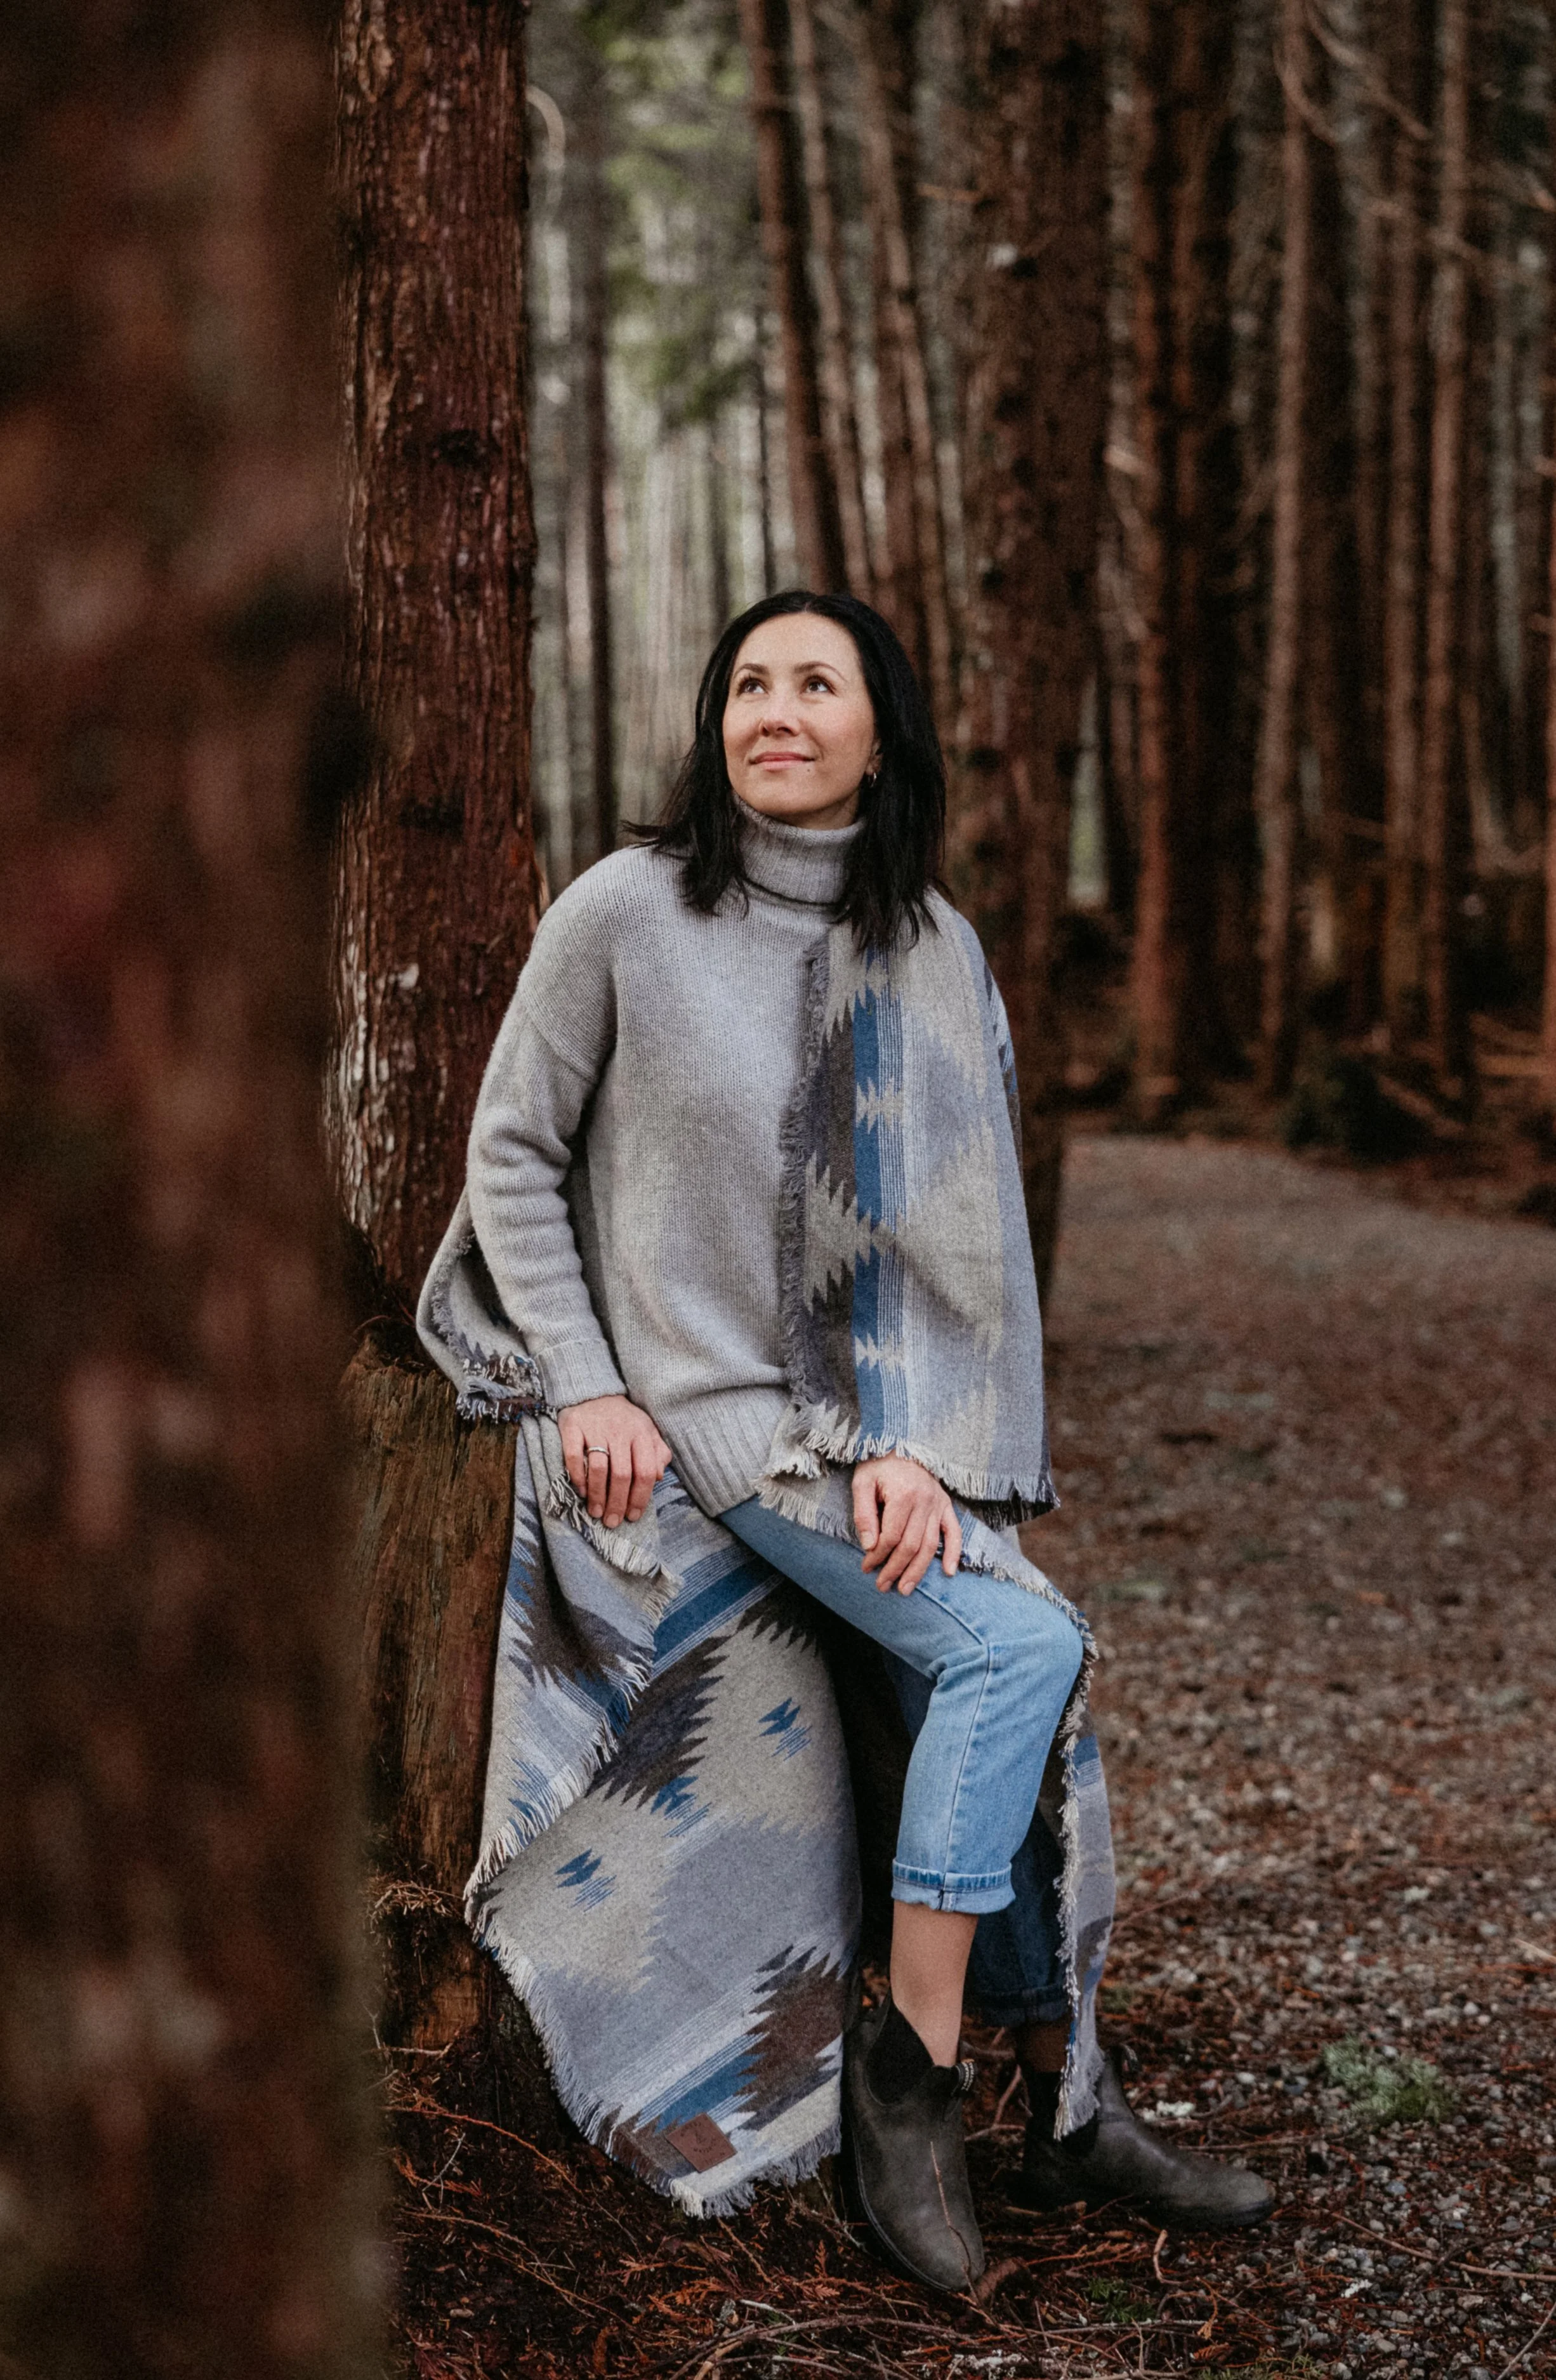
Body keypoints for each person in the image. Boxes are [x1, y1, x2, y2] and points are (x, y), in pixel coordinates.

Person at [457, 589, 1269, 2288]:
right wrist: (589, 1382)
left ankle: (1062, 2109)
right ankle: (912, 2064)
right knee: (1017, 1637)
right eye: (746, 681)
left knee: (982, 1677)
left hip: (869, 1439)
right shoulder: (626, 911)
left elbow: (955, 1244)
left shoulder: (932, 947)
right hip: (715, 1417)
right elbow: (514, 1155)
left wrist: (918, 1439)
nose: (772, 707)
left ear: (874, 727)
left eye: (812, 681)